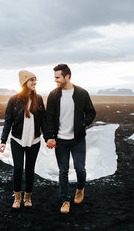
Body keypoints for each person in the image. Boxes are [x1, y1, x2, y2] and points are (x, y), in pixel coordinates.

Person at [45, 63, 96, 214]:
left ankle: (80, 189)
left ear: (67, 76)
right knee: (63, 171)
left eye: (58, 77)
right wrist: (49, 137)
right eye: (54, 77)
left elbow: (91, 112)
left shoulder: (81, 93)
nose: (55, 80)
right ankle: (65, 200)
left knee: (80, 169)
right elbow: (49, 118)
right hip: (60, 141)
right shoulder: (54, 95)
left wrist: (82, 123)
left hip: (78, 139)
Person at [0, 70, 45, 209]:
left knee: (30, 170)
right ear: (25, 82)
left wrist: (49, 138)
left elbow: (44, 120)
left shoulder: (39, 99)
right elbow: (8, 121)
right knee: (18, 169)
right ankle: (17, 199)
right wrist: (3, 140)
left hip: (34, 141)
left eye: (35, 80)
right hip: (17, 140)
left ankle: (28, 197)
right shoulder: (14, 100)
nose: (34, 82)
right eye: (31, 80)